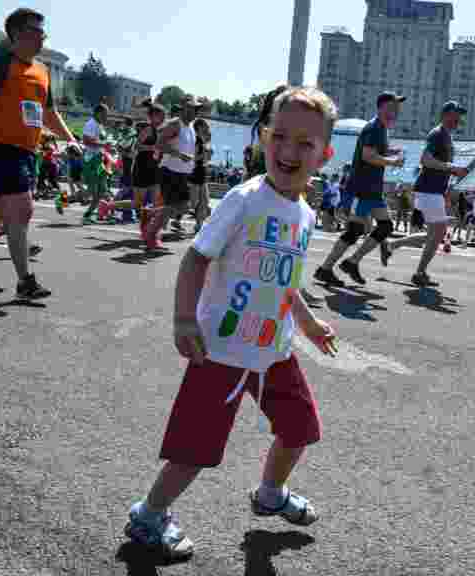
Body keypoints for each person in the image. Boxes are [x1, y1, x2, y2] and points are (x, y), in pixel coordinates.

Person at [124, 86, 339, 560]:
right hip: (219, 350)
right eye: (280, 136)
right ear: (264, 138)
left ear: (325, 154)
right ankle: (150, 515)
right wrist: (184, 318)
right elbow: (196, 259)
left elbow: (285, 284)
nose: (289, 150)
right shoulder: (244, 200)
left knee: (300, 428)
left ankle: (271, 494)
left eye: (306, 144)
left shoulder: (305, 214)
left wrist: (308, 325)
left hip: (274, 353)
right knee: (194, 449)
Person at [0, 8, 78, 298]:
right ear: (18, 33)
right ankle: (25, 282)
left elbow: (49, 113)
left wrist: (70, 140)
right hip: (0, 148)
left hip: (26, 151)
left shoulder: (42, 71)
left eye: (44, 31)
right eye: (37, 30)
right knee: (22, 210)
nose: (43, 36)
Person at [313, 92, 406, 287]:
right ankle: (325, 269)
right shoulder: (373, 128)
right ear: (380, 108)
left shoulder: (381, 129)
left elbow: (376, 151)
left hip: (372, 190)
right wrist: (392, 161)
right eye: (391, 107)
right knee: (354, 230)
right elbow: (368, 156)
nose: (395, 112)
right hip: (360, 189)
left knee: (385, 227)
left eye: (397, 108)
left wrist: (391, 151)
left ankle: (352, 261)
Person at [384, 100, 469, 286]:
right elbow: (425, 160)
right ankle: (419, 273)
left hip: (433, 190)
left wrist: (450, 178)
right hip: (429, 189)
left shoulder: (446, 136)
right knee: (438, 233)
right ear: (446, 115)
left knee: (432, 234)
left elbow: (439, 166)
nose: (459, 119)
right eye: (456, 115)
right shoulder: (438, 134)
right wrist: (452, 167)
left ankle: (391, 245)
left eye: (460, 116)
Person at [143, 94, 203, 250]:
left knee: (184, 207)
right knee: (171, 206)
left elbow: (188, 149)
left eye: (196, 109)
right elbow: (159, 145)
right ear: (183, 109)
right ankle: (151, 236)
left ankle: (151, 214)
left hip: (182, 174)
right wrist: (179, 155)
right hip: (169, 171)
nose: (194, 112)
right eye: (191, 109)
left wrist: (193, 162)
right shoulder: (175, 124)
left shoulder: (190, 127)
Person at [132, 104, 165, 233]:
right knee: (138, 203)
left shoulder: (161, 131)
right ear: (152, 117)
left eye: (164, 116)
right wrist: (152, 148)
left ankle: (151, 229)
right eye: (160, 116)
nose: (163, 119)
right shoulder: (148, 130)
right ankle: (109, 206)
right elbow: (137, 145)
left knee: (157, 201)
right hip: (142, 168)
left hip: (155, 169)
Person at [81, 103, 111, 224]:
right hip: (91, 161)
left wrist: (107, 146)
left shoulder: (100, 125)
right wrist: (104, 144)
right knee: (92, 191)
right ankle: (62, 199)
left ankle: (88, 215)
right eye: (105, 114)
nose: (106, 117)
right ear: (98, 113)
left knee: (102, 191)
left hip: (100, 160)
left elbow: (100, 142)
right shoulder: (91, 124)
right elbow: (86, 141)